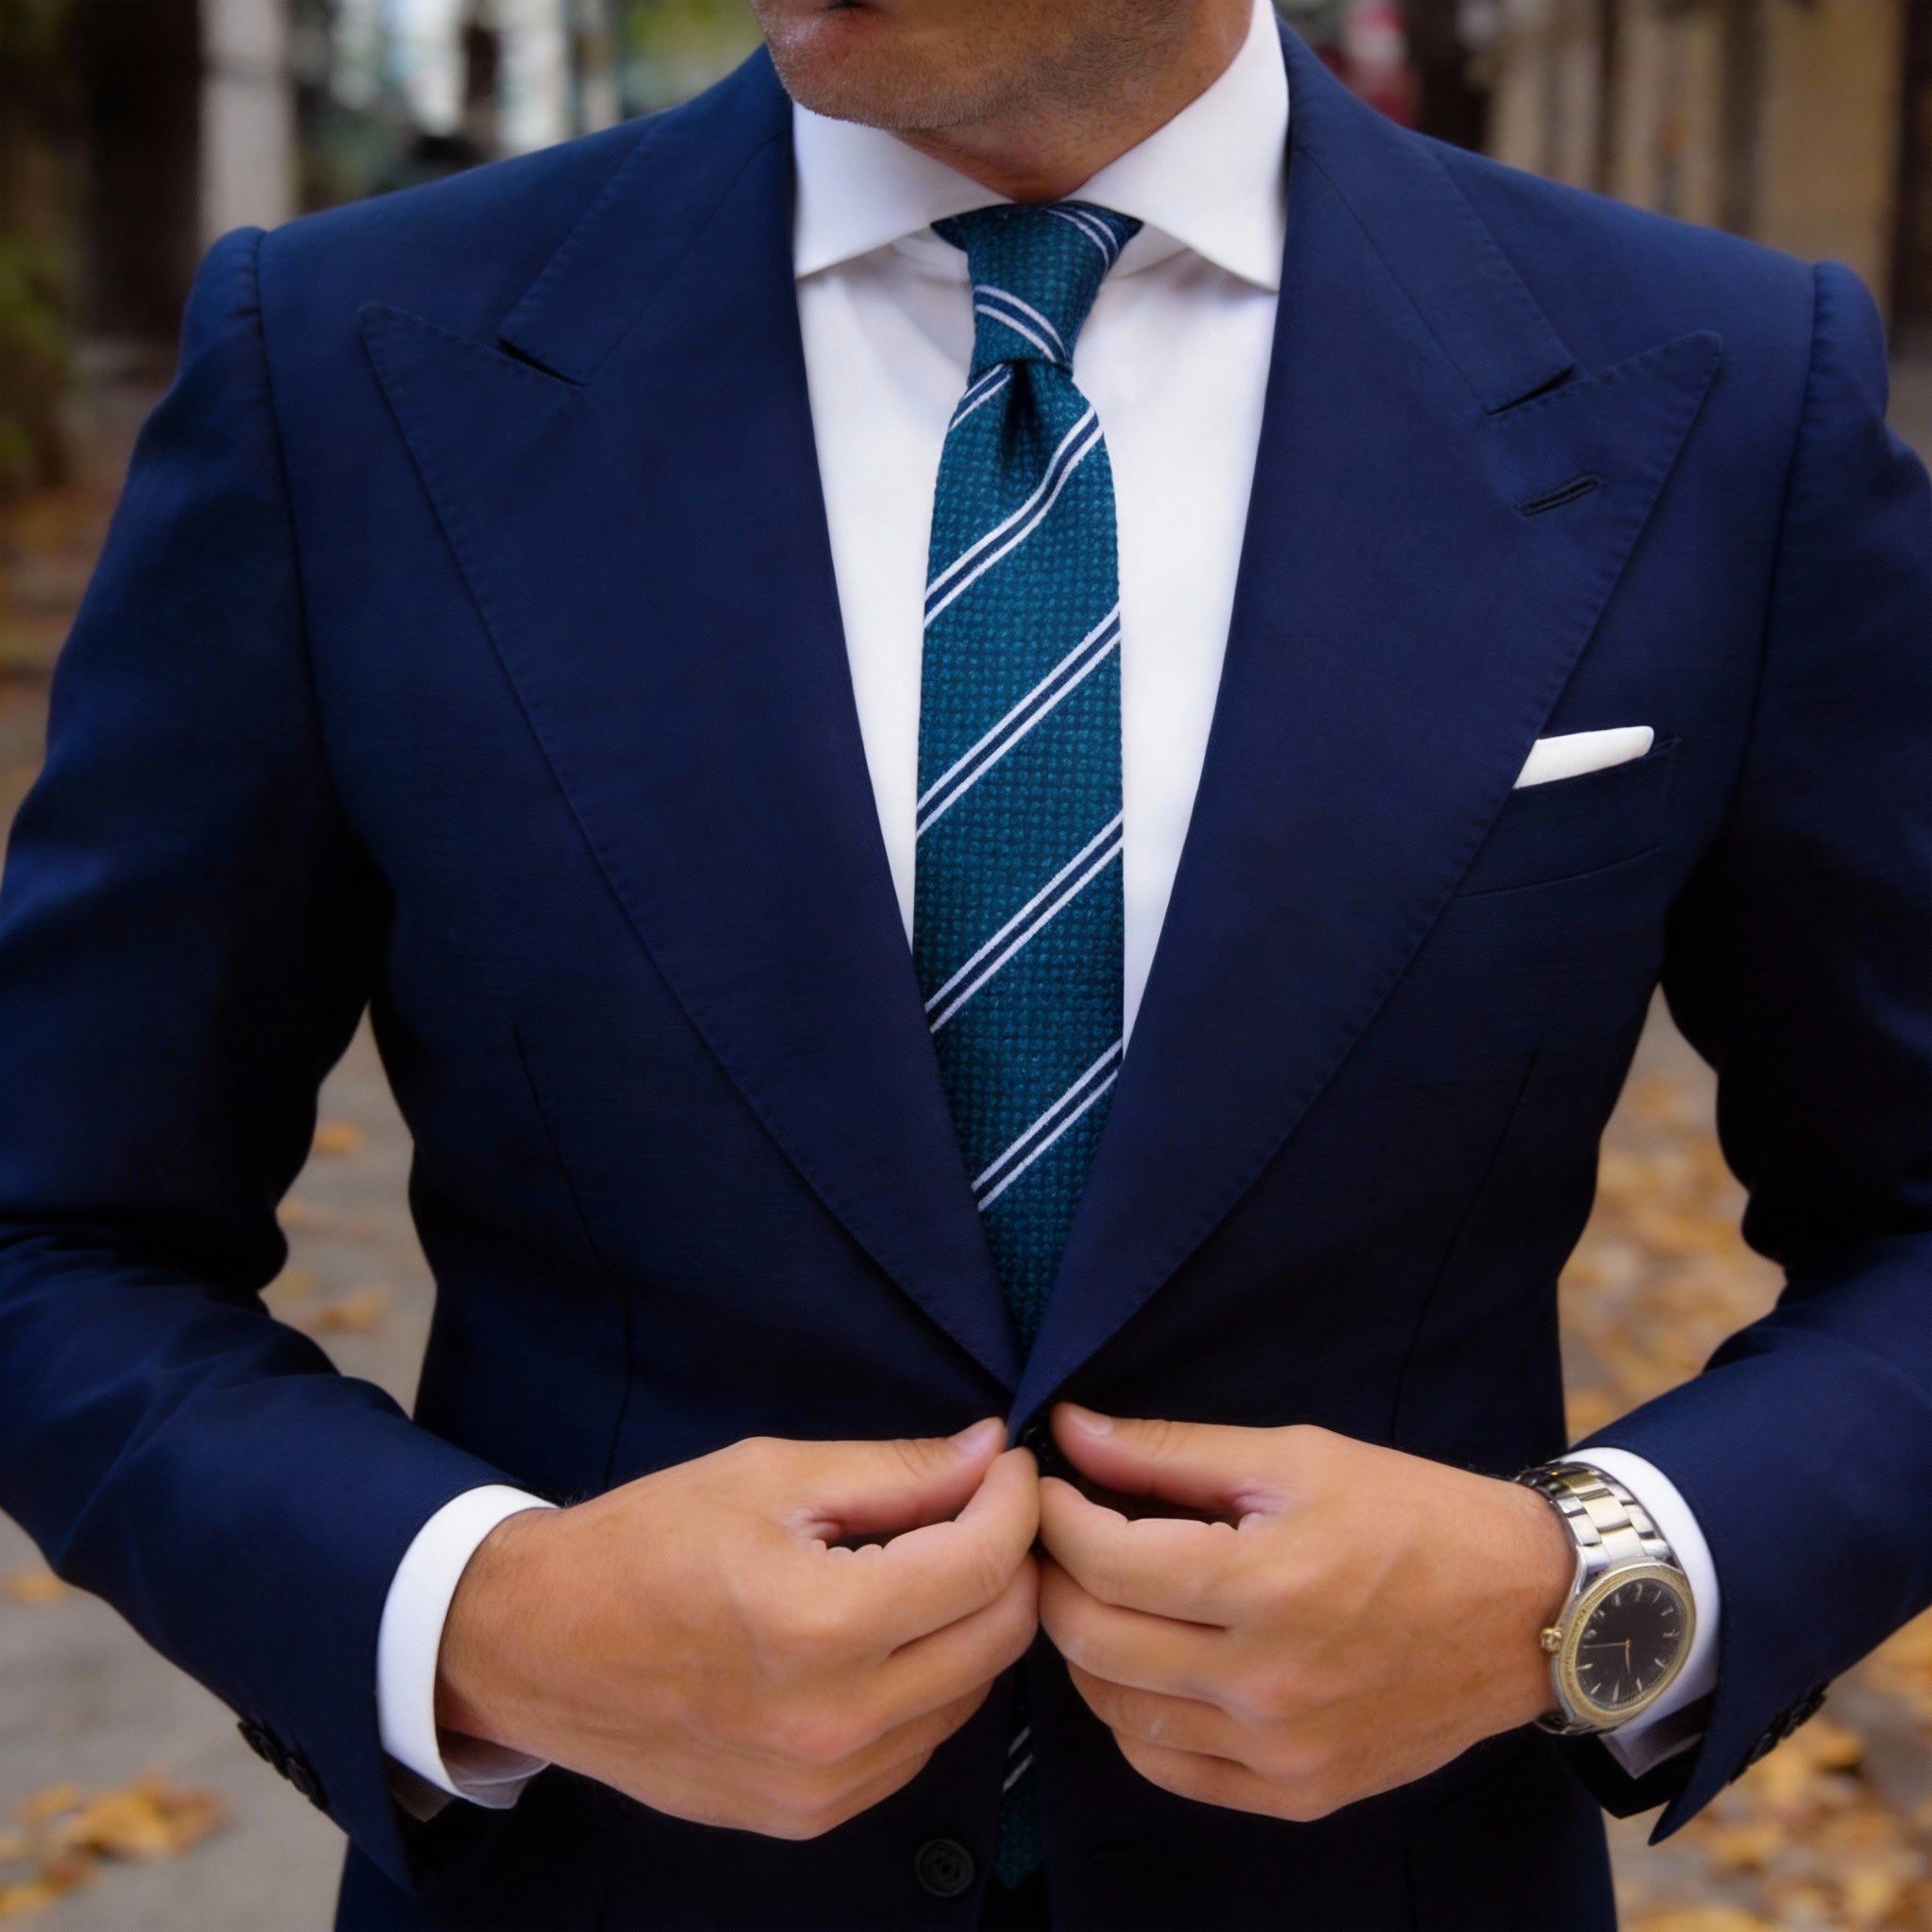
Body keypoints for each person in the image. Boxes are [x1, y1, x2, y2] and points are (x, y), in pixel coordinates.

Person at [0, 0, 1926, 1924]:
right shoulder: (341, 368)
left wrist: (1582, 1587)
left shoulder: (1719, 390)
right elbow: (56, 1228)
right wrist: (472, 1615)